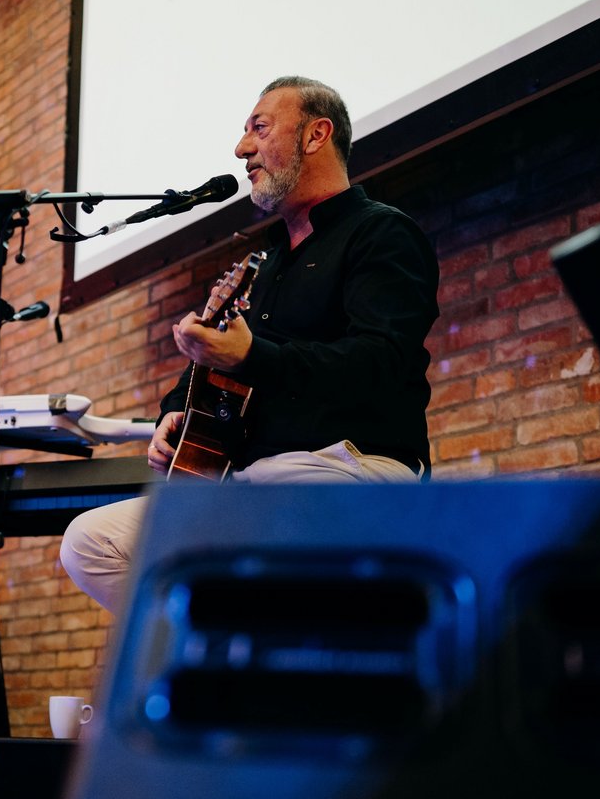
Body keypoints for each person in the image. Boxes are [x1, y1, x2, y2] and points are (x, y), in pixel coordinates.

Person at [59, 76, 440, 614]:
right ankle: (226, 659)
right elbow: (223, 374)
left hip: (349, 468)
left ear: (316, 135)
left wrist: (252, 355)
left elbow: (381, 362)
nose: (241, 149)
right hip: (252, 481)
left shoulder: (381, 234)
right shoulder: (266, 262)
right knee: (90, 542)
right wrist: (175, 415)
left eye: (259, 128)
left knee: (277, 488)